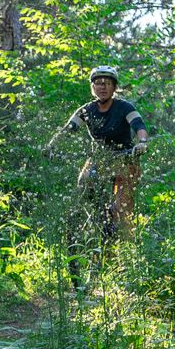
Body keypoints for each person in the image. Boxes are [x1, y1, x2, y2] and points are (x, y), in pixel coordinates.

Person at [62, 65, 148, 238]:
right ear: (93, 87)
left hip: (125, 158)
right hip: (100, 158)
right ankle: (93, 219)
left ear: (114, 87)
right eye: (99, 83)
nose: (103, 87)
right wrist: (51, 146)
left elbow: (139, 125)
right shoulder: (87, 110)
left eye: (108, 83)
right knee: (84, 183)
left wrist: (142, 142)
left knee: (121, 208)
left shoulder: (125, 107)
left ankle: (124, 244)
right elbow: (67, 130)